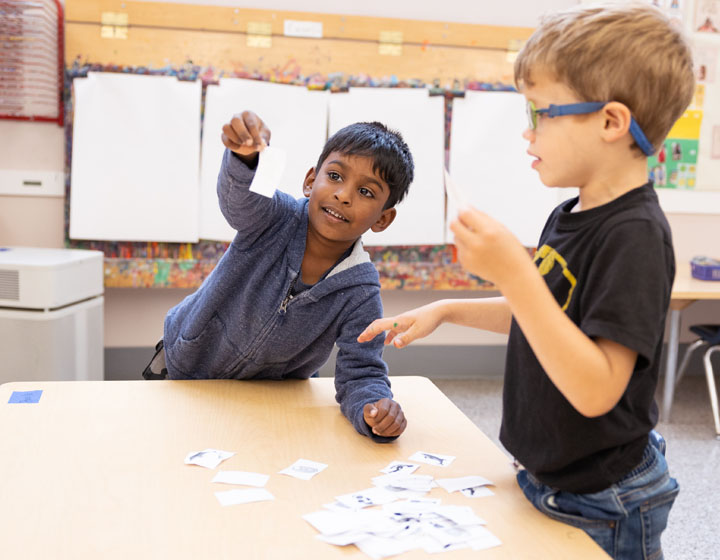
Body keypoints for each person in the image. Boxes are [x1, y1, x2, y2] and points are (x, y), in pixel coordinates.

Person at [358, 3, 694, 558]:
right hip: (550, 479)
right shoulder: (571, 213)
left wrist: (513, 265)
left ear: (610, 122)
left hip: (605, 499)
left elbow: (597, 389)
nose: (526, 129)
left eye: (542, 113)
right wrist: (446, 309)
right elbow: (544, 310)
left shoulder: (635, 236)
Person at [144, 110, 414, 442]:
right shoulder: (273, 218)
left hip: (267, 398)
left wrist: (374, 409)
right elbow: (240, 201)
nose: (344, 195)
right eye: (335, 176)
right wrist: (247, 160)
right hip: (187, 370)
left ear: (383, 219)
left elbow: (362, 372)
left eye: (366, 193)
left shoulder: (361, 292)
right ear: (311, 181)